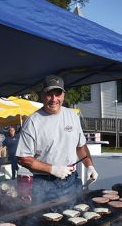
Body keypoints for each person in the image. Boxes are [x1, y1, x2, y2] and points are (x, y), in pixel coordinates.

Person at [16, 75, 98, 204]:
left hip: (72, 181)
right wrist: (52, 169)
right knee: (48, 222)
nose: (54, 99)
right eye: (49, 94)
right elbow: (23, 158)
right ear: (42, 95)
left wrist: (90, 166)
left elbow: (80, 146)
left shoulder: (72, 115)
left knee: (78, 218)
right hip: (44, 184)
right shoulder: (33, 121)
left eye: (58, 94)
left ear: (63, 95)